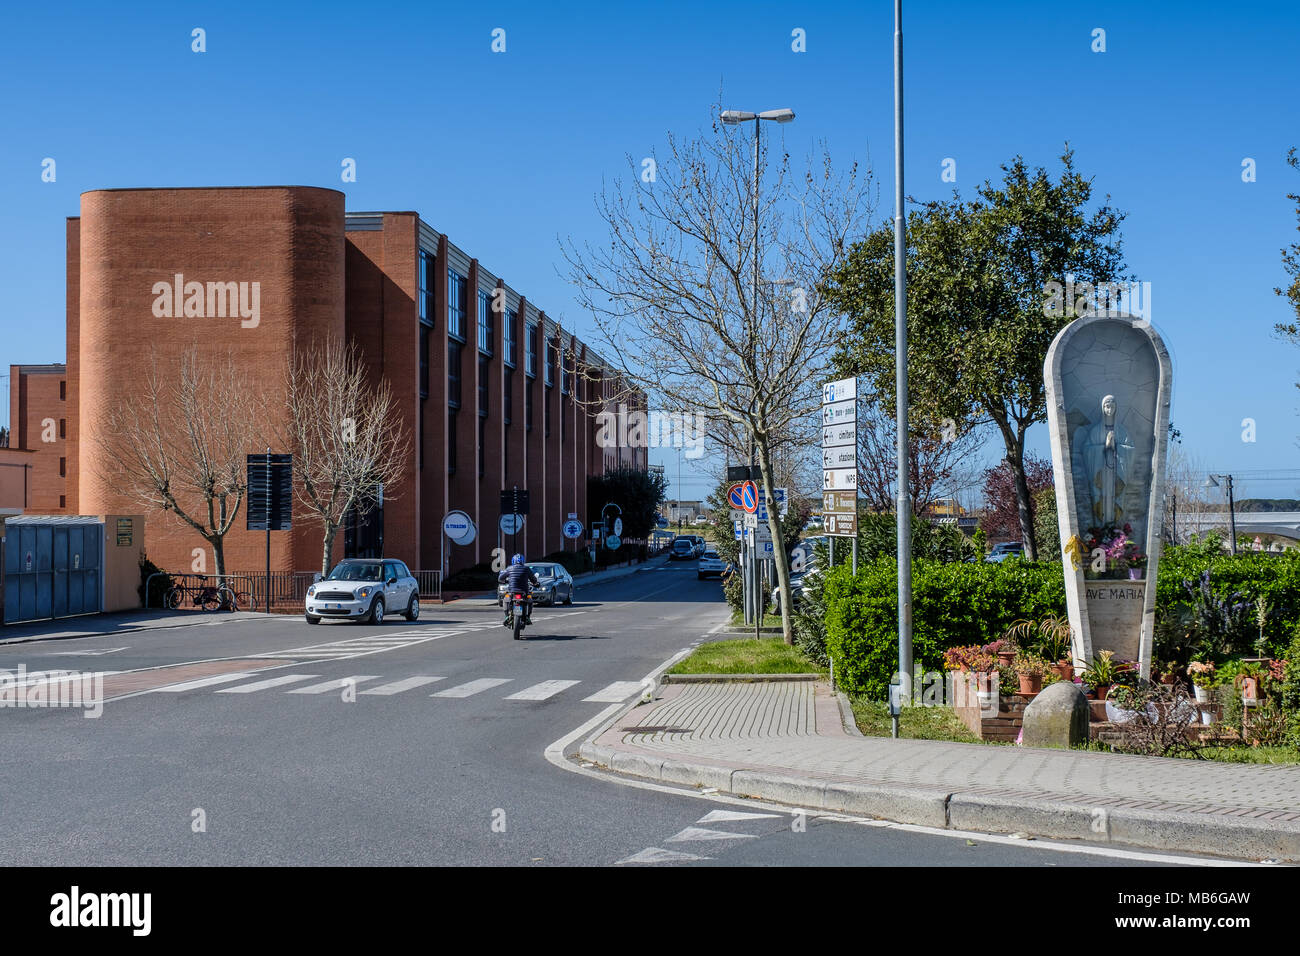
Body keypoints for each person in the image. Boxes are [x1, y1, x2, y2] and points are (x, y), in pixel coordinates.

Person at [498, 554, 540, 626]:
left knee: (505, 600)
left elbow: (500, 578)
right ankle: (527, 617)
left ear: (513, 561)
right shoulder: (526, 569)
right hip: (524, 591)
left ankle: (506, 616)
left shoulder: (509, 568)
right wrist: (536, 583)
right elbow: (533, 579)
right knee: (530, 601)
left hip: (512, 591)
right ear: (523, 561)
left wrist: (504, 581)